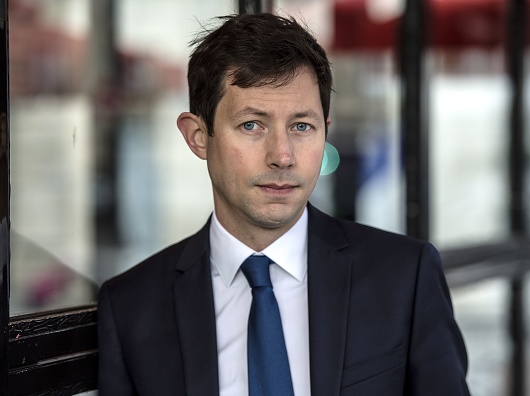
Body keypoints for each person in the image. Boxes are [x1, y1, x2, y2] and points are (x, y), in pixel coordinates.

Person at [98, 12, 471, 396]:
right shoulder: (132, 307)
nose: (283, 155)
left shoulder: (404, 277)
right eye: (252, 125)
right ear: (198, 137)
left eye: (301, 126)